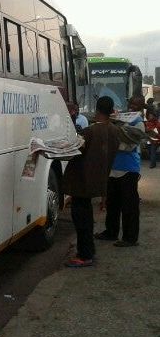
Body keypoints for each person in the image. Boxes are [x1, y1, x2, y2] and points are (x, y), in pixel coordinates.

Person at [62, 96, 120, 267]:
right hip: (97, 181)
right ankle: (89, 252)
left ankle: (85, 255)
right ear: (111, 110)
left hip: (82, 183)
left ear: (97, 109)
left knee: (82, 221)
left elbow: (73, 151)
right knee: (86, 218)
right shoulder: (115, 131)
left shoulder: (90, 132)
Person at [95, 95, 145, 247]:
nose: (133, 106)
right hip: (113, 168)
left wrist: (113, 143)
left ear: (141, 107)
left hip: (129, 168)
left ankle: (130, 238)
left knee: (129, 205)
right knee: (113, 203)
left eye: (137, 105)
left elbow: (131, 145)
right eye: (131, 103)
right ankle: (111, 232)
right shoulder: (119, 118)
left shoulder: (138, 123)